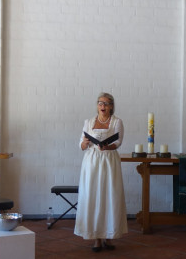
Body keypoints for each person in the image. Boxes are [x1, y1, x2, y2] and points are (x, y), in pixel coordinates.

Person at [74, 92, 127, 252]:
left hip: (109, 161)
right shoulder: (88, 122)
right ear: (97, 105)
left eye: (106, 103)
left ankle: (109, 236)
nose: (103, 106)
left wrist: (107, 146)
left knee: (110, 196)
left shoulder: (117, 122)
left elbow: (118, 142)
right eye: (100, 103)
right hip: (92, 161)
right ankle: (96, 238)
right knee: (93, 196)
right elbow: (81, 145)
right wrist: (84, 143)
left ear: (111, 106)